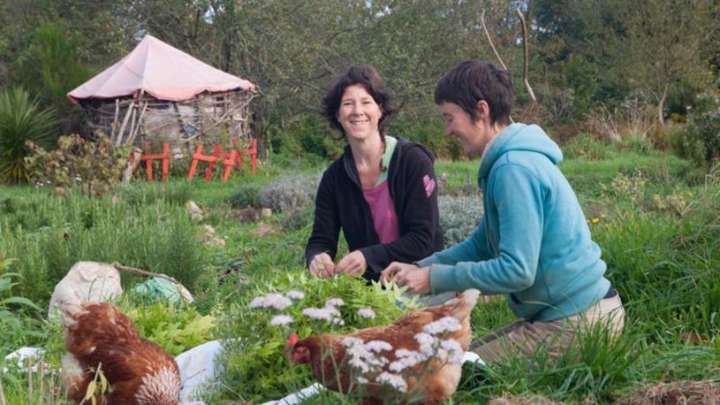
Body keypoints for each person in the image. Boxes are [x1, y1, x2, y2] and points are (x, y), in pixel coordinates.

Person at [381, 60, 624, 363]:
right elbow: (482, 245)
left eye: (450, 118)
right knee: (458, 358)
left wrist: (433, 278)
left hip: (581, 322)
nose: (447, 131)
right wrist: (418, 267)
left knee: (454, 373)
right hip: (573, 313)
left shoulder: (513, 169)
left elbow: (516, 271)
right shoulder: (508, 162)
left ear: (481, 110)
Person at [305, 64, 443, 282]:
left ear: (380, 110)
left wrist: (367, 257)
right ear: (338, 115)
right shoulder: (334, 178)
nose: (357, 111)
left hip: (422, 281)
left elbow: (423, 239)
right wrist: (317, 257)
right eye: (348, 104)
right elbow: (321, 239)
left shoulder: (413, 161)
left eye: (366, 102)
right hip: (372, 292)